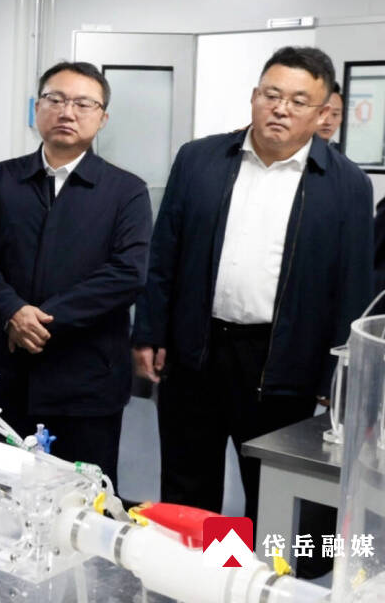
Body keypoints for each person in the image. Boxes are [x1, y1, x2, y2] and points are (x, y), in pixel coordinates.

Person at [132, 46, 372, 522]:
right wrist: (149, 332)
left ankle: (243, 568)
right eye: (271, 94)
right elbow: (164, 255)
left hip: (282, 364)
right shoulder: (199, 160)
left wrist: (336, 379)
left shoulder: (347, 185)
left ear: (322, 113)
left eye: (299, 101)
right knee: (186, 483)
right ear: (254, 96)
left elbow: (351, 291)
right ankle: (195, 567)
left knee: (268, 493)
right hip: (196, 351)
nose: (281, 108)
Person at [0, 62, 151, 487]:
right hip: (7, 373)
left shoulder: (126, 191)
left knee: (82, 499)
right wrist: (11, 310)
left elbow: (127, 273)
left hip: (87, 382)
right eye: (55, 99)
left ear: (102, 118)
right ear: (37, 108)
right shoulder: (1, 180)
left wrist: (41, 320)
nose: (67, 112)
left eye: (84, 104)